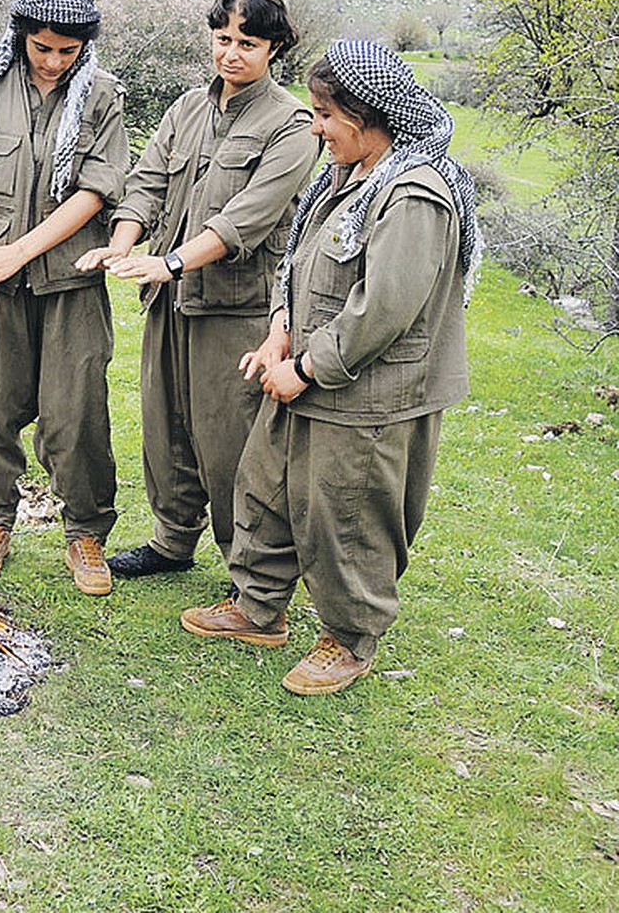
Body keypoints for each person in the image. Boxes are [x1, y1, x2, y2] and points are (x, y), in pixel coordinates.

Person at [180, 40, 480, 695]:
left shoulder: (413, 193)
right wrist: (280, 334)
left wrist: (309, 369)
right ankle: (258, 609)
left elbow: (384, 310)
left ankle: (349, 638)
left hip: (367, 393)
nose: (314, 127)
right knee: (266, 486)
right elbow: (299, 261)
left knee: (347, 513)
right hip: (305, 373)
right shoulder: (346, 175)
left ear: (367, 114)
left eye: (324, 114)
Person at [76, 0, 315, 579]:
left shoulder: (292, 125)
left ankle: (252, 575)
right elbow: (148, 183)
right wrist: (122, 245)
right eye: (223, 38)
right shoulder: (187, 108)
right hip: (168, 300)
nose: (231, 53)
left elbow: (248, 218)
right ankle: (171, 542)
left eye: (248, 42)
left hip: (235, 310)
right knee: (165, 431)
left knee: (232, 445)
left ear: (275, 49)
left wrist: (172, 261)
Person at [0, 0, 129, 595]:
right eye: (42, 47)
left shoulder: (103, 97)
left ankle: (84, 532)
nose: (53, 61)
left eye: (67, 51)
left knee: (75, 412)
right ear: (22, 35)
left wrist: (16, 255)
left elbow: (95, 192)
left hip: (68, 278)